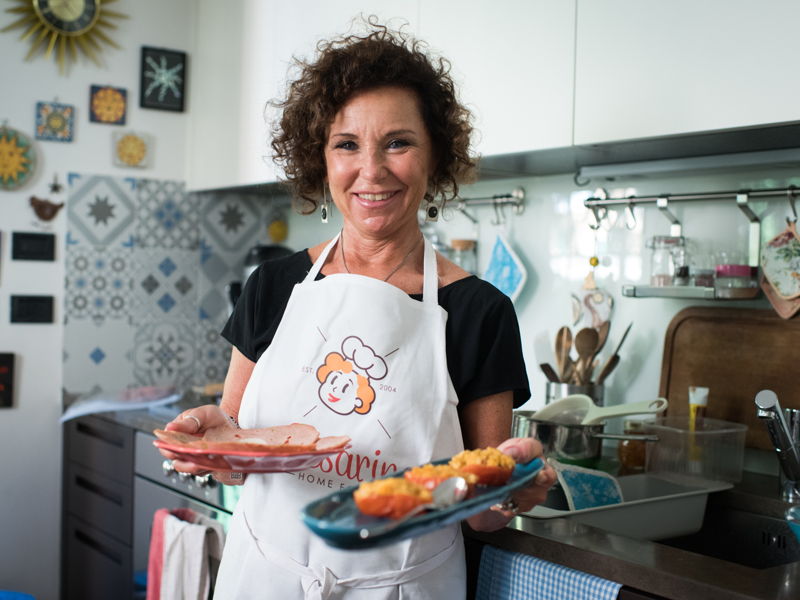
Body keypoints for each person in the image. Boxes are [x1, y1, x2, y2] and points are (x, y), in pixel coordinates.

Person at [159, 19, 556, 599]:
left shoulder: (480, 311)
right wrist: (210, 446)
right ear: (321, 159)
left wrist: (512, 488)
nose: (371, 170)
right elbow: (238, 458)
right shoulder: (273, 285)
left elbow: (479, 513)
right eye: (347, 144)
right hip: (263, 578)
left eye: (398, 142)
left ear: (434, 156)